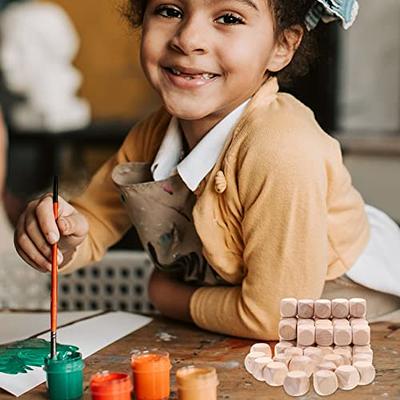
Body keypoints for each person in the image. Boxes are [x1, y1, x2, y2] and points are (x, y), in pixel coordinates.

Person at [14, 0, 400, 339]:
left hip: (358, 328)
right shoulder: (153, 132)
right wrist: (60, 234)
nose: (188, 38)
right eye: (170, 10)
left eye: (229, 17)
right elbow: (95, 219)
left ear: (282, 46)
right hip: (241, 329)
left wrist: (165, 295)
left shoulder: (282, 148)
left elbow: (275, 316)